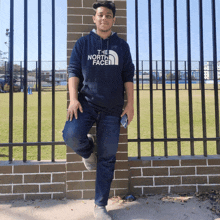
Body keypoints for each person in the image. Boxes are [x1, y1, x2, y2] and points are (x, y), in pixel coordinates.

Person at [62, 1, 134, 219]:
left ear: (113, 20)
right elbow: (73, 71)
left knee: (108, 158)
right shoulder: (83, 43)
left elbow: (128, 77)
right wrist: (73, 99)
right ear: (94, 18)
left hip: (113, 109)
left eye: (108, 15)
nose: (104, 18)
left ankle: (100, 206)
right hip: (86, 104)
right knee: (71, 134)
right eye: (100, 15)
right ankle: (87, 150)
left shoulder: (121, 46)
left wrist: (130, 105)